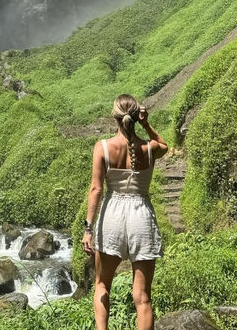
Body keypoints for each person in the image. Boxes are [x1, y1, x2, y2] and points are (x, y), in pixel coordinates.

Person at [82, 94, 169, 330]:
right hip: (141, 216)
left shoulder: (102, 148)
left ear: (115, 117)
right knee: (143, 298)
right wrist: (146, 124)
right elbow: (165, 144)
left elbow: (96, 189)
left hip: (112, 215)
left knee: (102, 285)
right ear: (134, 117)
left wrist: (88, 228)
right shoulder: (150, 149)